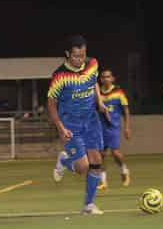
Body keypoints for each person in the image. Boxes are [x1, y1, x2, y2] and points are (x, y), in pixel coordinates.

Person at [48, 35, 109, 215]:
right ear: (67, 54)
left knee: (96, 161)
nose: (79, 60)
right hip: (71, 125)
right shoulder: (60, 76)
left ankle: (88, 205)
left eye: (82, 55)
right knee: (82, 168)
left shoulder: (93, 64)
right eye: (75, 56)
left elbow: (94, 83)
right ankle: (64, 160)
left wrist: (100, 101)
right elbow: (51, 103)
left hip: (91, 121)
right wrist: (60, 127)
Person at [97, 69, 132, 190]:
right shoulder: (97, 94)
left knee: (115, 152)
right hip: (100, 127)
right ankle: (103, 181)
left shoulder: (119, 92)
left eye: (108, 77)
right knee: (100, 154)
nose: (106, 79)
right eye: (103, 77)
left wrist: (127, 127)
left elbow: (126, 110)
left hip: (113, 126)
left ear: (112, 78)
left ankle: (124, 170)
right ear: (100, 79)